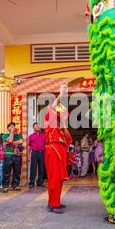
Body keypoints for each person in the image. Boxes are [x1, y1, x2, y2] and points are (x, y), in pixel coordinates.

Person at [44, 84, 72, 214]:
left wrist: (65, 125)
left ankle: (55, 202)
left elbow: (68, 140)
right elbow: (53, 107)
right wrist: (61, 94)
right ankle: (53, 204)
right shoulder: (50, 122)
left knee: (59, 178)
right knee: (54, 178)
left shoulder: (62, 129)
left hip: (60, 151)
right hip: (53, 150)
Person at [2, 123, 23, 193]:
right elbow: (9, 140)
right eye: (11, 127)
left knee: (17, 171)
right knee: (7, 172)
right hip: (8, 154)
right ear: (8, 128)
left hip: (17, 155)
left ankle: (15, 185)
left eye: (13, 127)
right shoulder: (5, 135)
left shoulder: (19, 135)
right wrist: (11, 133)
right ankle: (5, 186)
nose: (13, 128)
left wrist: (12, 142)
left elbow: (21, 141)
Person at [28, 122, 46, 188]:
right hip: (34, 153)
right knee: (33, 168)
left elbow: (46, 145)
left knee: (41, 168)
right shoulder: (31, 136)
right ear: (33, 128)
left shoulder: (44, 135)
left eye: (38, 125)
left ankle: (40, 182)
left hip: (42, 153)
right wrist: (28, 155)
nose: (38, 127)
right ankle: (31, 182)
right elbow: (29, 146)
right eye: (36, 126)